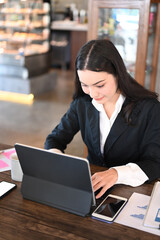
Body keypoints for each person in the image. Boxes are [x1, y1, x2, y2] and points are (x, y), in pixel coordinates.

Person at [44, 39, 160, 199]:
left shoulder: (149, 108)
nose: (92, 94)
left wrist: (116, 174)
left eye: (99, 85)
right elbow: (55, 139)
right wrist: (56, 158)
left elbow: (155, 163)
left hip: (131, 193)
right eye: (85, 85)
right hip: (92, 190)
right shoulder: (82, 103)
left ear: (118, 74)